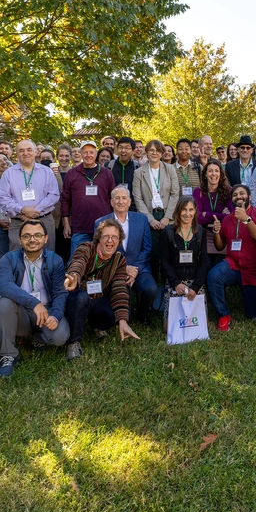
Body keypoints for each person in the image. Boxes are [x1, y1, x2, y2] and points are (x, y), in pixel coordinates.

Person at [0, 220, 71, 375]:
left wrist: (55, 316)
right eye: (27, 236)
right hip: (20, 311)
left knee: (60, 337)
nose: (32, 239)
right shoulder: (8, 259)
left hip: (47, 310)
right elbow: (4, 286)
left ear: (45, 238)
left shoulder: (55, 260)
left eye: (37, 235)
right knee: (4, 303)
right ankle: (8, 355)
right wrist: (34, 303)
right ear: (20, 239)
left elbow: (60, 293)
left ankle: (37, 338)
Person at [64, 219, 139, 357]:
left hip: (98, 298)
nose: (110, 240)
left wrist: (122, 320)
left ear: (119, 240)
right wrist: (74, 276)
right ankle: (73, 342)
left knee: (115, 309)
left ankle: (97, 325)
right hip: (79, 298)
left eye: (114, 237)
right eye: (106, 236)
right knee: (81, 297)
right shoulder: (86, 248)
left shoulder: (119, 259)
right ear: (99, 238)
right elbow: (78, 262)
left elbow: (119, 289)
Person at [207, 185, 256, 329]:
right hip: (232, 264)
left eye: (242, 193)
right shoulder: (227, 219)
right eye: (235, 195)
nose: (238, 197)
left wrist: (246, 220)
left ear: (250, 197)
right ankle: (223, 314)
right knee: (213, 276)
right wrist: (216, 232)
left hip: (252, 269)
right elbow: (219, 246)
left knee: (253, 315)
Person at [94, 185, 159, 324]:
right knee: (124, 316)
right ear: (111, 202)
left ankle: (143, 314)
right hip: (114, 270)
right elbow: (100, 253)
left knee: (150, 289)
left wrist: (134, 269)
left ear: (129, 202)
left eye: (124, 198)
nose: (120, 201)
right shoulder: (101, 223)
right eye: (117, 198)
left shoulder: (142, 220)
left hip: (139, 268)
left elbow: (147, 248)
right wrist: (123, 268)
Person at [0, 140, 59, 251]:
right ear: (16, 153)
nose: (26, 153)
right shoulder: (8, 174)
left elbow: (54, 194)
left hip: (44, 220)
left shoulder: (47, 172)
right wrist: (23, 210)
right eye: (21, 150)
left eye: (29, 150)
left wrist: (35, 211)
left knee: (47, 258)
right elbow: (3, 199)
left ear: (35, 152)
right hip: (19, 222)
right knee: (18, 259)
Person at [134, 139, 181, 279]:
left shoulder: (170, 169)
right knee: (153, 254)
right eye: (151, 150)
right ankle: (154, 282)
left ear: (161, 153)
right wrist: (150, 219)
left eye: (158, 150)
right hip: (150, 216)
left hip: (168, 215)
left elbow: (175, 194)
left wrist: (168, 217)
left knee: (170, 252)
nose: (154, 153)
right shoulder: (139, 173)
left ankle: (170, 283)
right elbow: (137, 198)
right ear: (146, 152)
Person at [160, 196, 211, 326]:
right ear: (178, 211)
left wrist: (196, 286)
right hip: (175, 282)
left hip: (195, 282)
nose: (187, 214)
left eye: (190, 210)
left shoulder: (200, 231)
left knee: (201, 324)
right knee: (168, 328)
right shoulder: (168, 232)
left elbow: (204, 261)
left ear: (195, 212)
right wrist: (175, 283)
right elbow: (164, 261)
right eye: (184, 210)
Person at [61, 140, 116, 256]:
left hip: (103, 227)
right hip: (80, 228)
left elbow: (113, 199)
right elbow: (65, 200)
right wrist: (66, 224)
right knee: (77, 263)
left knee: (103, 261)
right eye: (85, 152)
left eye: (91, 152)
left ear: (96, 154)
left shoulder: (106, 174)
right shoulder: (72, 174)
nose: (88, 155)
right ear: (80, 153)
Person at [195, 158, 233, 262]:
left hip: (222, 235)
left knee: (217, 266)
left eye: (216, 171)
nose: (213, 174)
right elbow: (197, 218)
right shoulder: (198, 191)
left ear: (221, 174)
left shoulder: (228, 190)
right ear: (205, 174)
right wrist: (221, 216)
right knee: (204, 266)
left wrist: (206, 214)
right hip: (203, 235)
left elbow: (232, 216)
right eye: (210, 171)